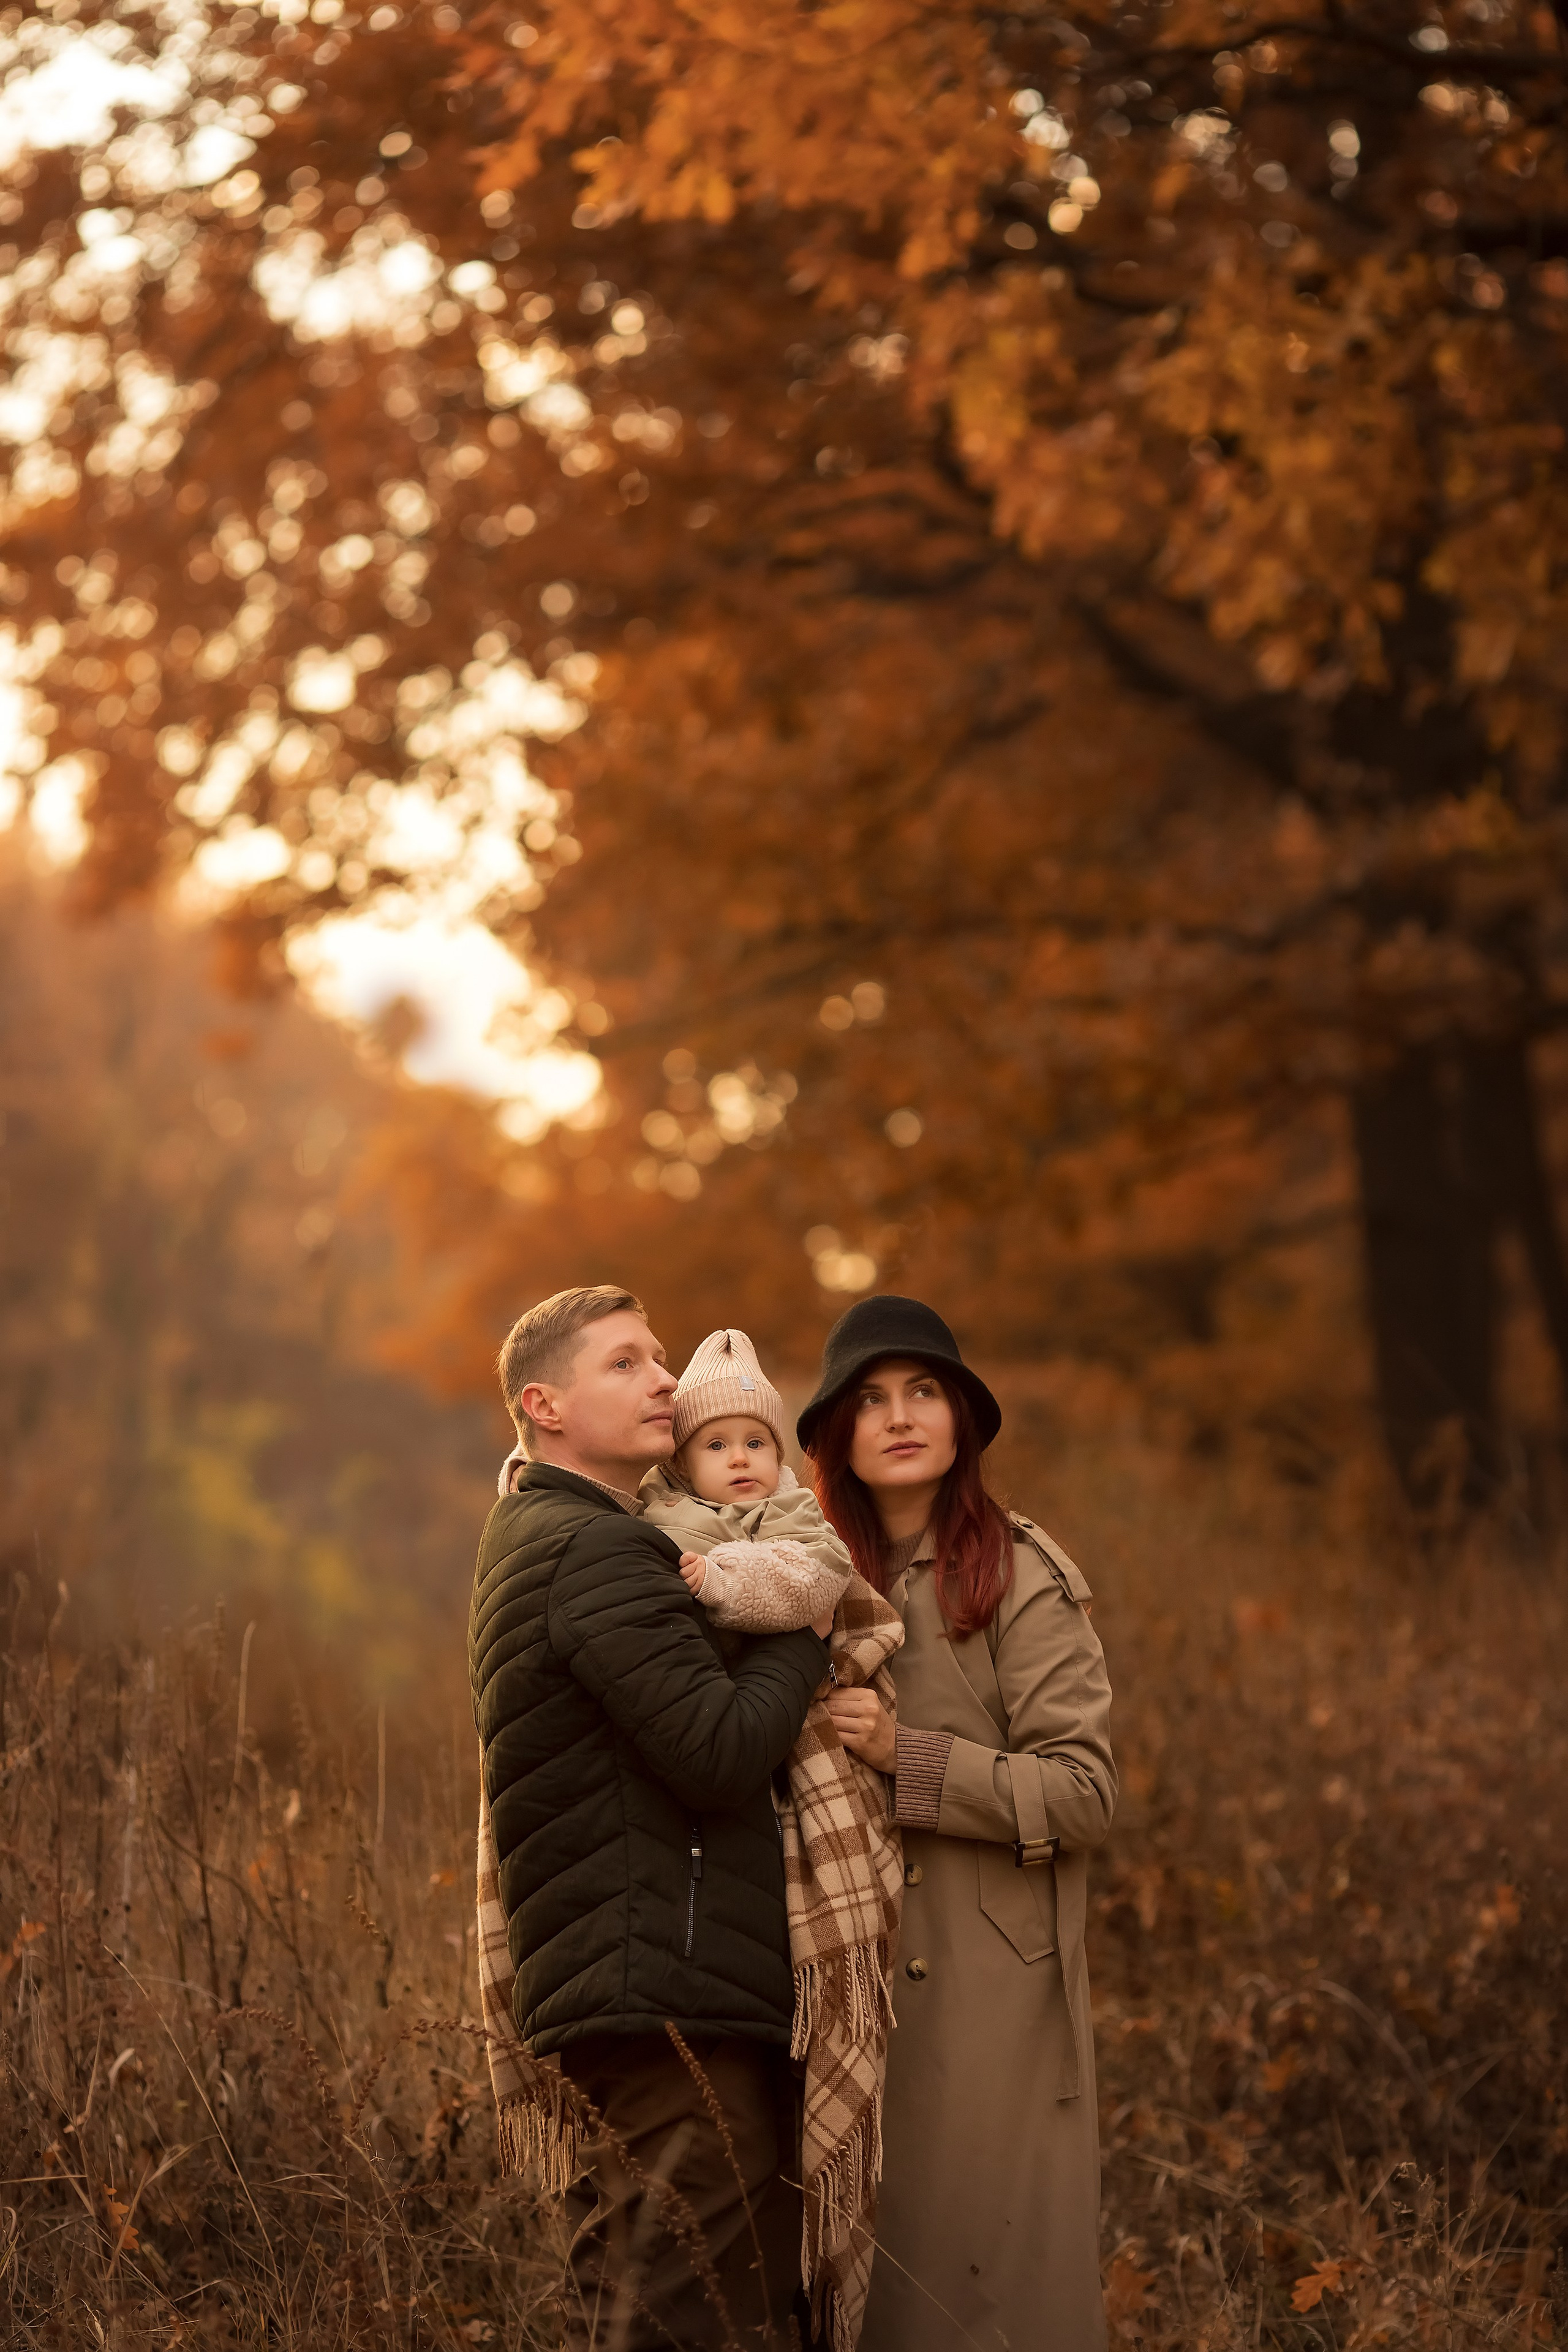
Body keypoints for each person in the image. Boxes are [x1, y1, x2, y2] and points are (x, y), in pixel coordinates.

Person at [469, 1286, 831, 2351]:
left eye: (662, 1359)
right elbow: (720, 1751)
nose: (665, 1381)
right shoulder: (592, 1550)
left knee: (635, 2301)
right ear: (544, 1404)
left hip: (633, 1987)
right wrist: (804, 1622)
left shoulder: (550, 1534)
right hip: (661, 1989)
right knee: (706, 2316)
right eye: (625, 1363)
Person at [799, 1295, 1117, 2352]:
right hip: (847, 1984)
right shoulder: (800, 1578)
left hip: (996, 1997)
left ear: (960, 1419)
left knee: (994, 2302)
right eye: (873, 1398)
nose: (901, 1416)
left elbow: (1083, 1794)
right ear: (838, 1429)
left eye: (924, 1391)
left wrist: (908, 1758)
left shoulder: (1021, 1574)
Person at [641, 1328, 906, 2352]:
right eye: (719, 1444)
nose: (743, 1457)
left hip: (800, 1759)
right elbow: (578, 1510)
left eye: (758, 1437)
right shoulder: (655, 1517)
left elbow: (807, 1591)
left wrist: (713, 1583)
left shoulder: (799, 1520)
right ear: (682, 1461)